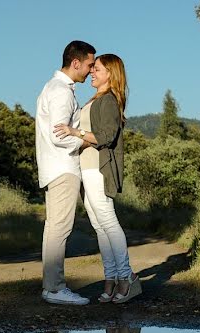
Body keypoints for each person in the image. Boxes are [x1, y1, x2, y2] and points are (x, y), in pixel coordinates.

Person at [55, 54, 141, 304]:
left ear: (110, 74)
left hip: (98, 169)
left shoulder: (109, 100)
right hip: (87, 168)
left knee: (108, 222)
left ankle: (127, 278)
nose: (92, 72)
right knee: (99, 225)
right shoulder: (95, 99)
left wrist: (74, 131)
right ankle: (111, 279)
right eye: (92, 68)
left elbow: (106, 136)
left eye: (97, 69)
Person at [35, 41, 96, 306]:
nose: (91, 70)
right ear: (75, 63)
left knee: (55, 228)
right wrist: (85, 141)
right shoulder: (60, 91)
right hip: (63, 167)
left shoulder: (55, 88)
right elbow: (59, 134)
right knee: (59, 228)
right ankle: (55, 288)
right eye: (89, 64)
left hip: (57, 166)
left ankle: (53, 286)